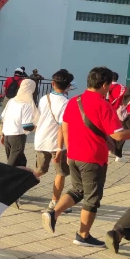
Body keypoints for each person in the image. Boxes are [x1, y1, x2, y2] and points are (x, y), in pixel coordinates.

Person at [42, 67, 130, 247]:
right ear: (105, 84)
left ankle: (54, 213)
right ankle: (83, 235)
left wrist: (68, 150)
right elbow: (118, 135)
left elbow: (65, 126)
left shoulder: (75, 100)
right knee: (92, 199)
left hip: (74, 154)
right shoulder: (103, 104)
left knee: (78, 190)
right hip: (93, 158)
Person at [34, 70, 74, 213]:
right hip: (57, 143)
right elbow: (63, 128)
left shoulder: (44, 98)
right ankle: (54, 202)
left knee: (40, 170)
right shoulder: (66, 102)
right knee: (61, 173)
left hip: (40, 139)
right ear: (68, 86)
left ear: (53, 83)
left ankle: (17, 188)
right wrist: (61, 148)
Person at [0, 79, 39, 168]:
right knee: (12, 165)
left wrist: (2, 134)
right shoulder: (26, 105)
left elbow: (3, 118)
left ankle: (20, 180)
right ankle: (5, 180)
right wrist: (38, 130)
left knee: (21, 161)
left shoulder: (11, 101)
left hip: (7, 136)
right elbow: (26, 126)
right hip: (17, 137)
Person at [114, 82, 130, 162]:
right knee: (123, 134)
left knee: (123, 134)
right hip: (129, 113)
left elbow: (127, 95)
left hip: (127, 113)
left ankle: (117, 154)